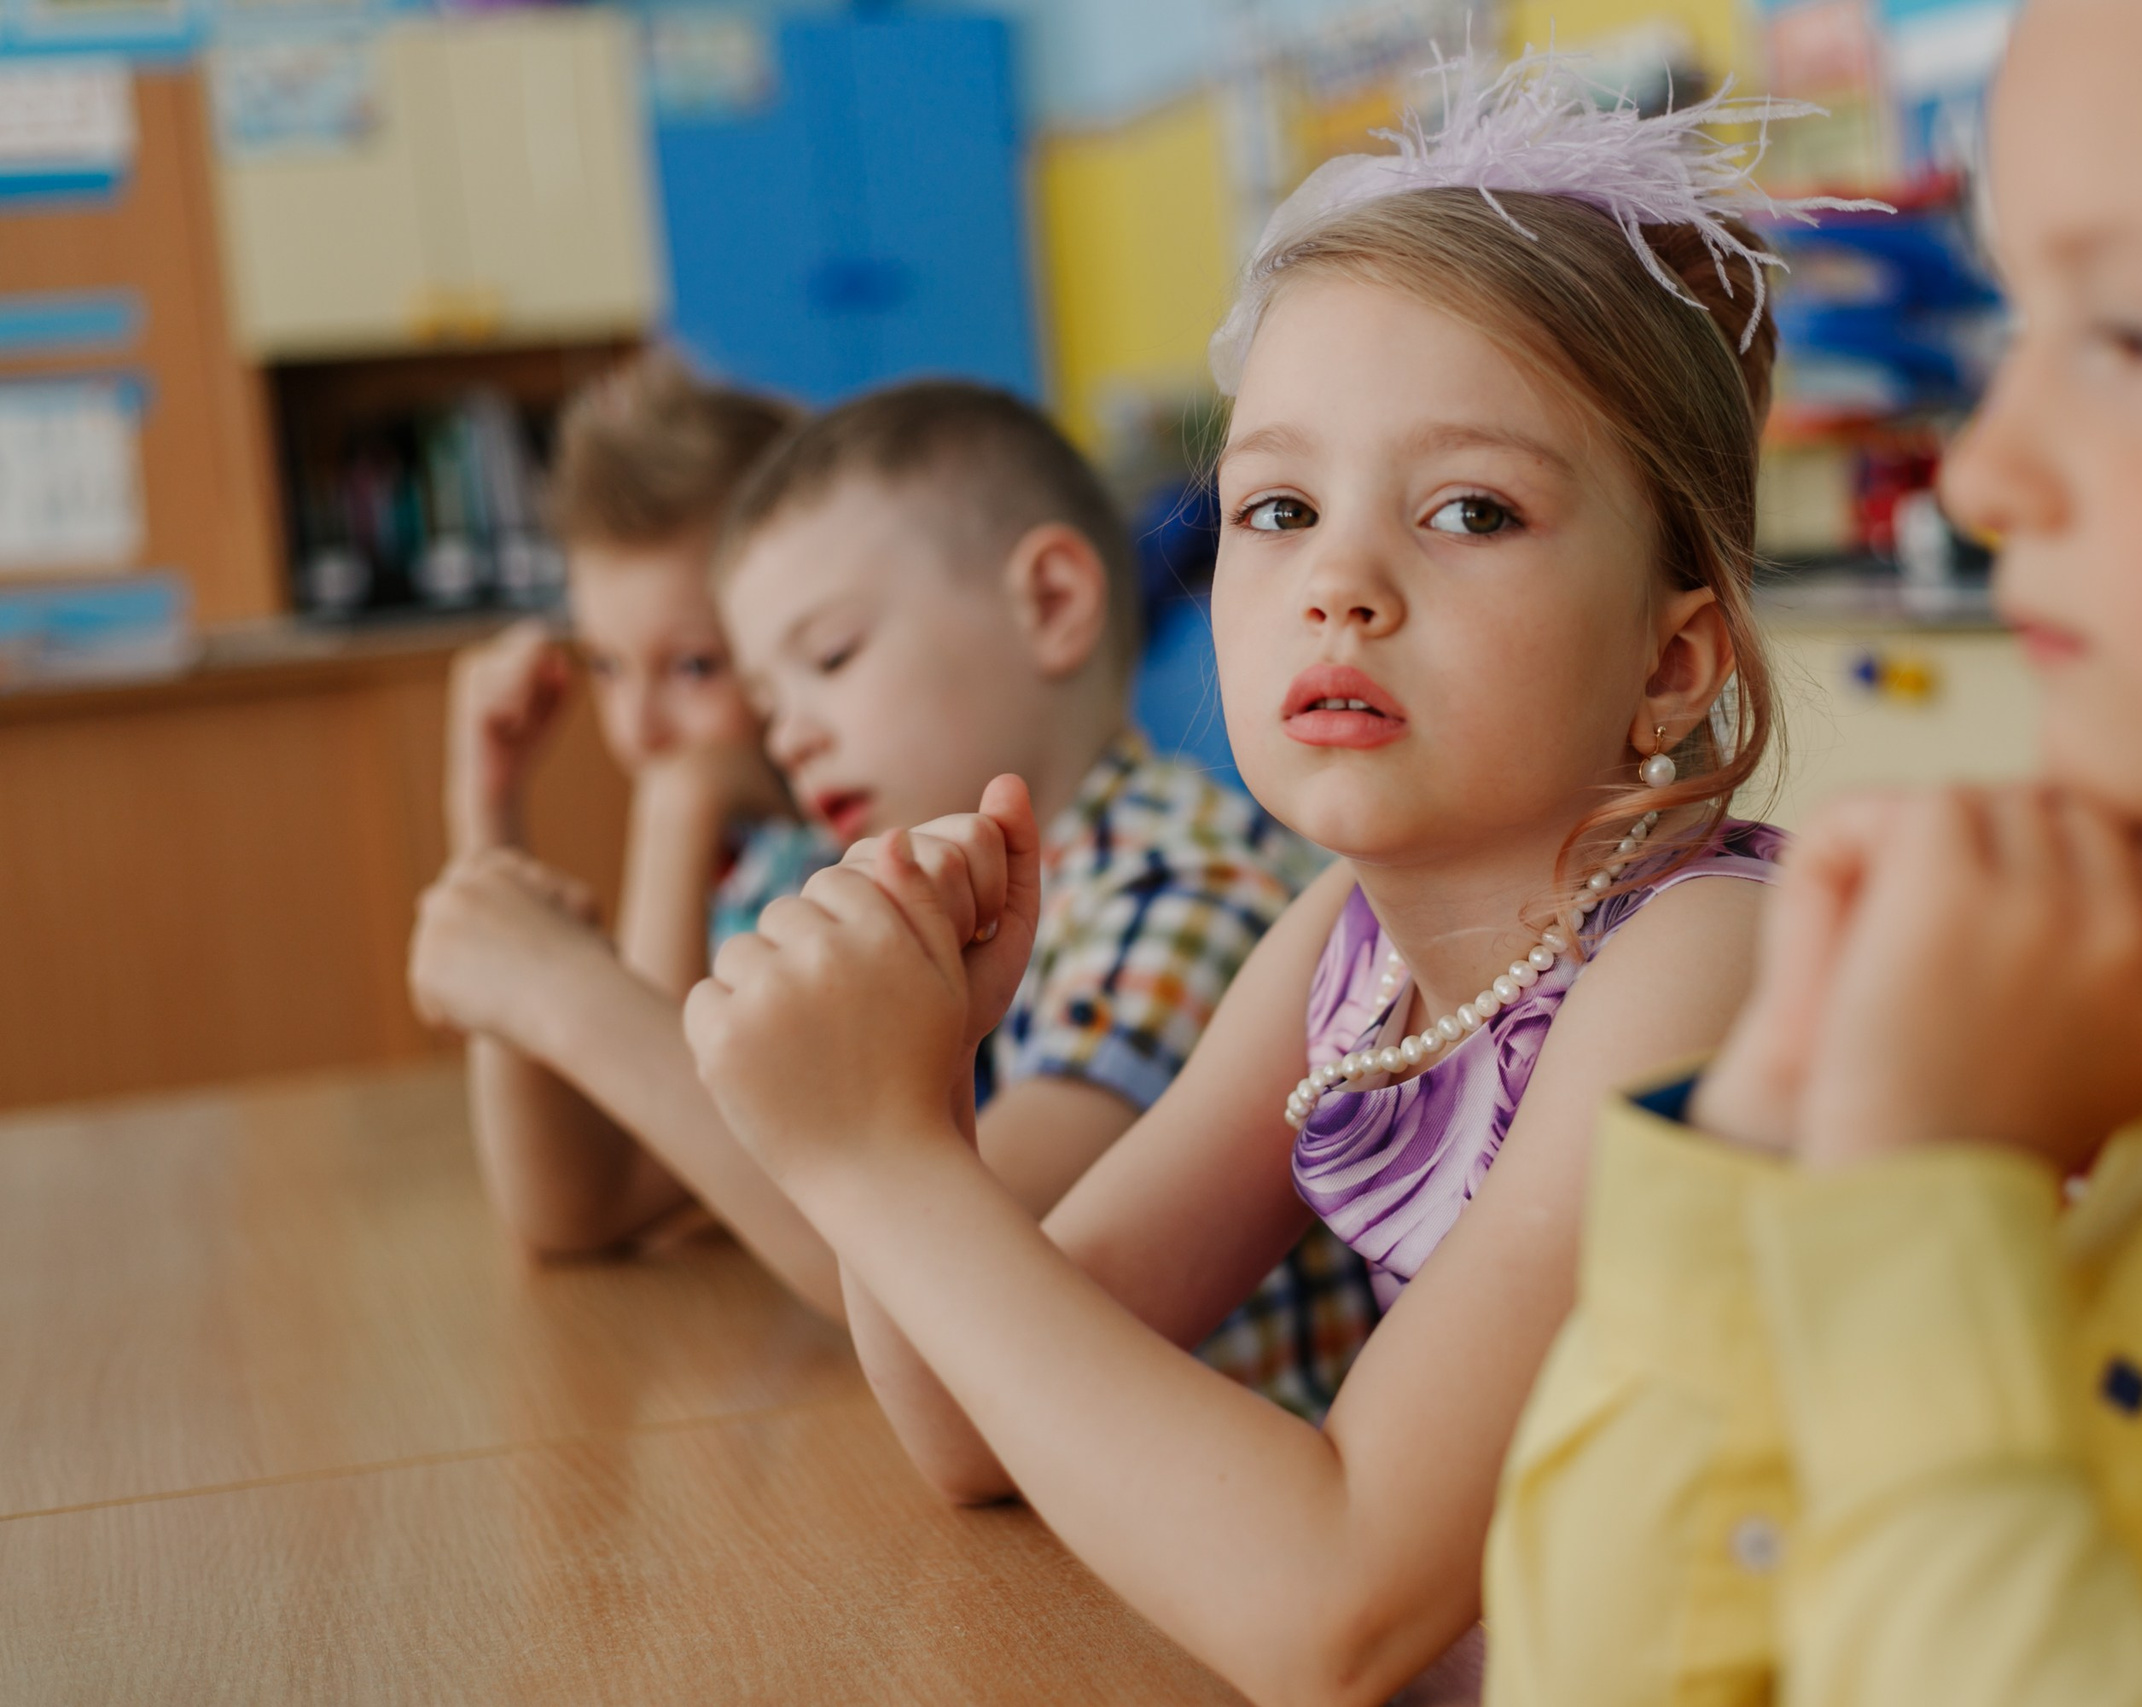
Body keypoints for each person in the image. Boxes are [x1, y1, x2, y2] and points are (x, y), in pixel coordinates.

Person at [681, 58, 1844, 1707]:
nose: (1340, 585)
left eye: (1470, 510)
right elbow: (968, 1429)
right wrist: (922, 1098)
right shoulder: (1343, 949)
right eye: (1279, 506)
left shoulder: (1700, 966)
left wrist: (871, 1162)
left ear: (1674, 664)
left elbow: (1333, 1603)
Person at [1481, 1, 2142, 1703]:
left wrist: (1921, 1195)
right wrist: (1778, 1131)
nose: (1984, 476)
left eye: (2131, 335)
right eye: (2013, 326)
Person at [414, 378, 1372, 1420]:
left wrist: (565, 993)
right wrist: (509, 921)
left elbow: (937, 1289)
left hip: (1179, 1538)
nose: (785, 738)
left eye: (829, 658)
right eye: (767, 699)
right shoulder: (867, 890)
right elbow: (590, 1205)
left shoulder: (1185, 887)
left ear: (1050, 604)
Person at [423, 350, 802, 1263]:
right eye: (606, 665)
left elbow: (604, 1190)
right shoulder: (744, 856)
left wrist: (681, 805)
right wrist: (488, 809)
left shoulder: (834, 863)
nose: (638, 726)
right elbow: (564, 1205)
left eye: (694, 666)